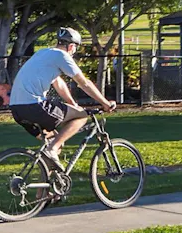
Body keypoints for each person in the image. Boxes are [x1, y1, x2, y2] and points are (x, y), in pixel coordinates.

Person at [9, 27, 115, 170]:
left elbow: (58, 82)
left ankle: (48, 191)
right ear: (71, 46)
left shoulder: (43, 53)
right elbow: (84, 83)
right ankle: (51, 150)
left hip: (17, 109)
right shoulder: (62, 56)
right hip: (34, 106)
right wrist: (105, 103)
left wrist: (72, 104)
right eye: (75, 49)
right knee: (82, 117)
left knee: (54, 143)